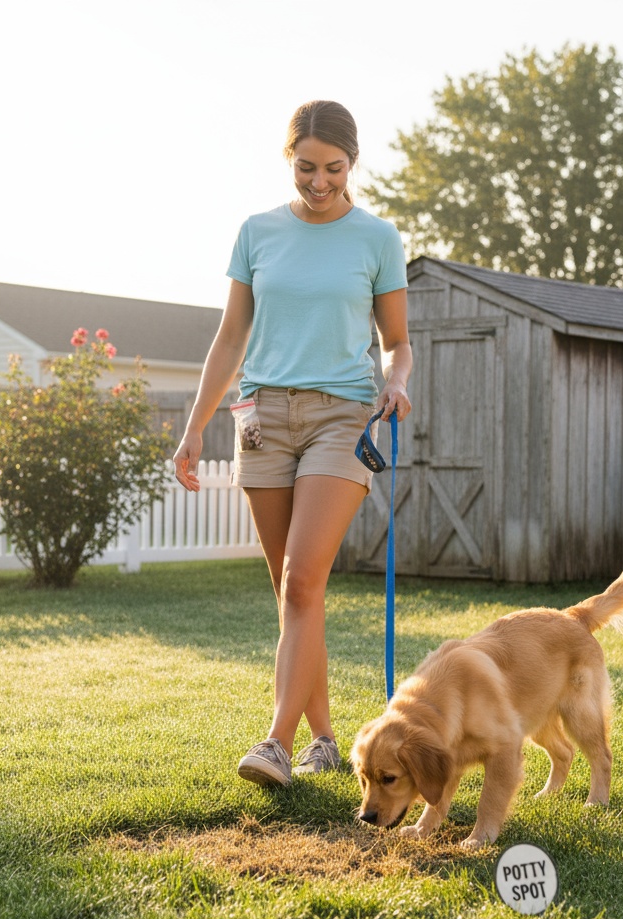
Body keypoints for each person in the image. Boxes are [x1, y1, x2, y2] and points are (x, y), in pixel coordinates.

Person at [172, 100, 412, 788]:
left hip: (342, 418)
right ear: (290, 161)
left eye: (333, 168)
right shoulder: (257, 232)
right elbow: (229, 340)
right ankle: (327, 740)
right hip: (262, 417)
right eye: (306, 167)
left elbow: (398, 344)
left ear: (351, 164)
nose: (319, 181)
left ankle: (276, 743)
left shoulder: (376, 238)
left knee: (305, 578)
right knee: (292, 592)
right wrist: (194, 428)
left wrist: (397, 383)